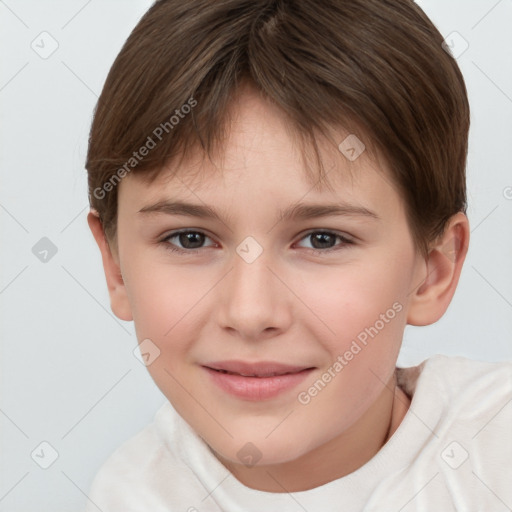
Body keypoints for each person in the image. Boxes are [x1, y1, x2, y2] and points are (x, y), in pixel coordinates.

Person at [84, 0, 512, 510]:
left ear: (433, 272)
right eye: (190, 239)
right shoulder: (130, 497)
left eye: (322, 239)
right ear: (116, 268)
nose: (250, 313)